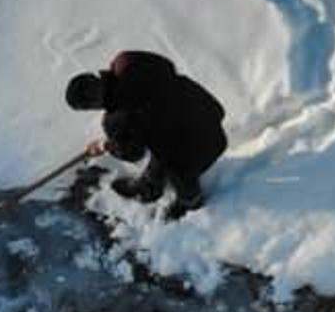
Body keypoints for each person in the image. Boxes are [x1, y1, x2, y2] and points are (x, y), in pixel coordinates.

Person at [65, 51, 227, 220]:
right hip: (207, 112)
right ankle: (151, 186)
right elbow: (167, 65)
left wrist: (104, 145)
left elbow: (133, 153)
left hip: (204, 146)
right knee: (160, 133)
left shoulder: (116, 120)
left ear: (90, 106)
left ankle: (190, 202)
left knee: (174, 157)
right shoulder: (128, 62)